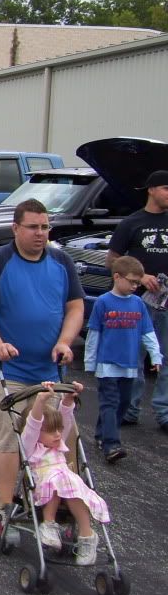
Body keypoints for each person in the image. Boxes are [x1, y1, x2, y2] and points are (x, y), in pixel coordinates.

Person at [0, 197, 84, 537]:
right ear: (15, 228)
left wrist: (65, 341)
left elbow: (75, 307)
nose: (40, 233)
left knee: (64, 439)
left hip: (49, 372)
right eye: (33, 227)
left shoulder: (62, 262)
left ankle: (57, 499)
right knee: (7, 436)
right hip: (6, 370)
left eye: (45, 227)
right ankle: (7, 504)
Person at [106, 169, 168, 432]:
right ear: (151, 189)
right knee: (135, 355)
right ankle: (129, 409)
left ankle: (164, 411)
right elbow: (112, 259)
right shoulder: (132, 223)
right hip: (139, 302)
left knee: (164, 356)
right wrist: (140, 277)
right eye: (166, 188)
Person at [85, 255, 163, 462]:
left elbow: (148, 332)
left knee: (123, 403)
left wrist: (156, 356)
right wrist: (90, 362)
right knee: (109, 402)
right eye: (132, 281)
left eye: (138, 283)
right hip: (107, 364)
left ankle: (102, 433)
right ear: (117, 277)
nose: (135, 286)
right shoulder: (103, 302)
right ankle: (112, 444)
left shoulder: (138, 304)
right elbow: (94, 334)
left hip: (130, 366)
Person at [22, 382, 108, 565]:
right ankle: (49, 524)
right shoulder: (31, 447)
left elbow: (66, 418)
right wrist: (40, 401)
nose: (58, 435)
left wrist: (69, 399)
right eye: (51, 431)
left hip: (66, 485)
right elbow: (33, 424)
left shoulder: (58, 446)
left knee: (73, 486)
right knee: (56, 481)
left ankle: (87, 535)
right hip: (44, 485)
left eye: (59, 430)